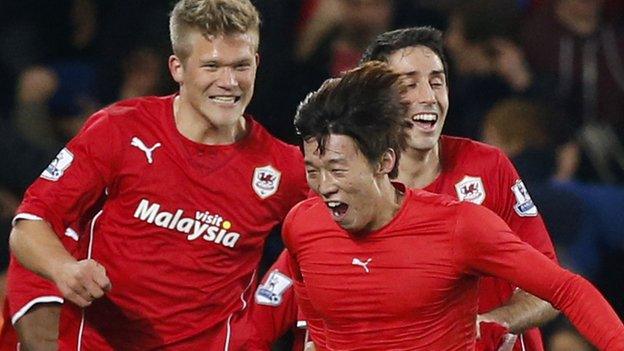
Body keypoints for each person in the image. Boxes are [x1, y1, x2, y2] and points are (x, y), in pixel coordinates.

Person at [8, 0, 308, 349]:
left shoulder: (283, 168)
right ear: (177, 68)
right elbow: (30, 225)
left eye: (241, 66)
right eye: (211, 66)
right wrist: (65, 269)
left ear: (256, 63)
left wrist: (260, 324)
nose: (229, 82)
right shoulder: (120, 129)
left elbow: (330, 240)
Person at [252, 27, 560, 351]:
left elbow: (550, 288)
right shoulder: (343, 191)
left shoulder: (488, 168)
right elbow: (276, 301)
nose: (428, 96)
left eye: (437, 81)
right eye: (409, 84)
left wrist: (491, 324)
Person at [285, 60, 624, 350]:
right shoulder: (301, 227)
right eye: (313, 170)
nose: (324, 186)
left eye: (338, 169)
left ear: (384, 162)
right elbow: (319, 328)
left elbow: (568, 289)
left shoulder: (460, 226)